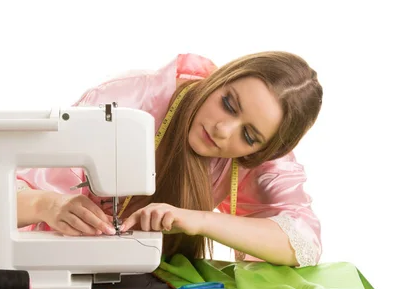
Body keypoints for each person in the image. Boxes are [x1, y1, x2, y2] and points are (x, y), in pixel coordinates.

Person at [16, 52, 323, 267]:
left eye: (249, 136)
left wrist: (200, 220)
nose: (222, 129)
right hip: (52, 272)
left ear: (261, 151)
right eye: (228, 103)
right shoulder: (125, 102)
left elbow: (304, 244)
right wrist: (48, 205)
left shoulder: (253, 157)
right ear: (220, 79)